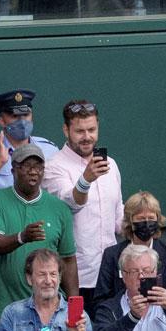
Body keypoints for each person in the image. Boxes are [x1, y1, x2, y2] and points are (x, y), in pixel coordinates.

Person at [0, 142, 75, 331]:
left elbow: (68, 260)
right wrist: (22, 237)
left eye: (38, 166)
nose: (33, 171)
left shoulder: (59, 208)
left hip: (49, 315)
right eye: (27, 166)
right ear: (13, 170)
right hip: (2, 313)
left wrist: (75, 310)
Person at [40, 98, 123, 302]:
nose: (87, 137)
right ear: (66, 130)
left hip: (114, 274)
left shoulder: (110, 164)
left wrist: (143, 220)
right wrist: (86, 179)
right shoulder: (53, 167)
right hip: (77, 279)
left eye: (92, 130)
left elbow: (118, 217)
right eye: (80, 131)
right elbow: (69, 205)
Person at [92, 192, 166, 305]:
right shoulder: (113, 255)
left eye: (151, 218)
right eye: (141, 219)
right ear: (130, 222)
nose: (146, 223)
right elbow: (101, 300)